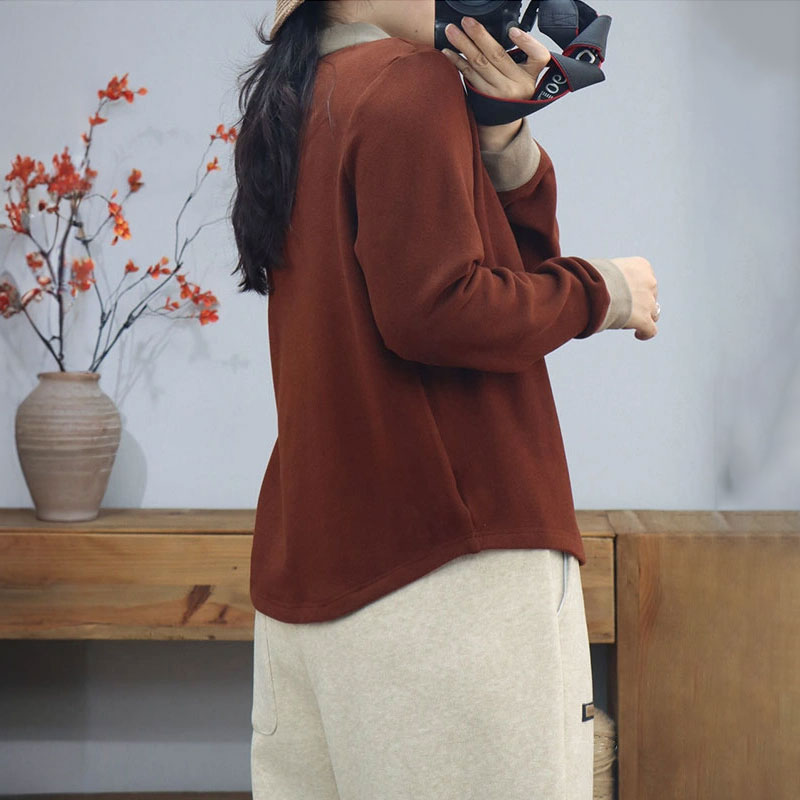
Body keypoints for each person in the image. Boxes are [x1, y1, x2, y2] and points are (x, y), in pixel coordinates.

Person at [231, 1, 659, 798]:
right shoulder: (408, 83)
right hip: (453, 566)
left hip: (319, 576)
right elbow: (438, 307)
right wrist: (602, 292)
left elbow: (491, 272)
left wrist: (498, 138)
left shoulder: (300, 95)